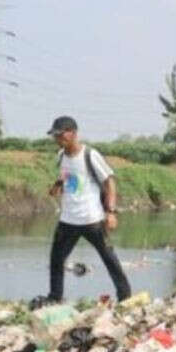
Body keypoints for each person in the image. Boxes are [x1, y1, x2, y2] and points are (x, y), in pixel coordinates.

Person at [43, 115, 132, 303]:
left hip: (91, 220)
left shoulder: (90, 155)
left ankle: (125, 297)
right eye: (55, 136)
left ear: (73, 133)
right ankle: (55, 297)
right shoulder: (61, 156)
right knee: (56, 260)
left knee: (109, 259)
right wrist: (57, 186)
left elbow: (109, 182)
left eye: (60, 135)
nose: (57, 139)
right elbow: (66, 175)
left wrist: (111, 212)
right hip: (68, 219)